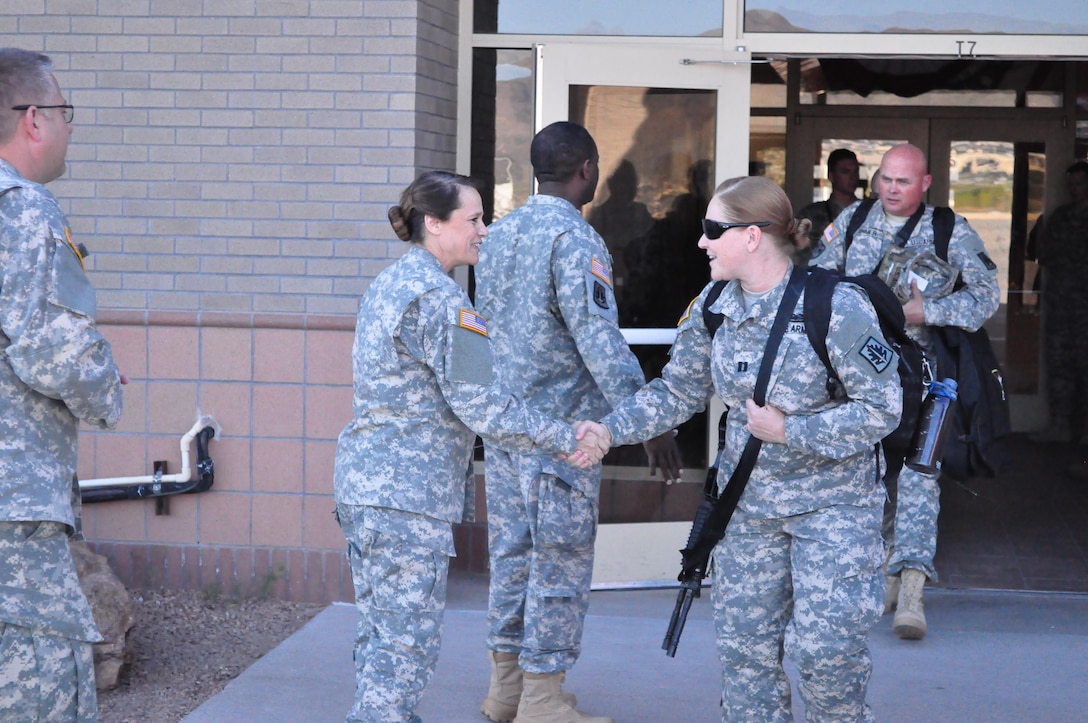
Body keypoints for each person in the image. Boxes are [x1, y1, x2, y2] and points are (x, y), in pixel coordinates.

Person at [596, 175, 903, 721]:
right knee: (745, 657)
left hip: (833, 509)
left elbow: (883, 408)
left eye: (714, 229)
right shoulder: (713, 307)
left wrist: (792, 431)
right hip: (749, 511)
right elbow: (678, 391)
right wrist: (608, 431)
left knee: (825, 656)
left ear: (753, 236)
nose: (702, 242)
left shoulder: (836, 305)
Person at [332, 170, 611, 723]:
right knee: (404, 648)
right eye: (475, 219)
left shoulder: (389, 282)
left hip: (366, 487)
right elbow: (485, 408)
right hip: (408, 499)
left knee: (382, 637)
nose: (485, 230)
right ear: (434, 224)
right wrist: (566, 435)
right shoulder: (442, 303)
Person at [474, 121, 682, 723]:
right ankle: (542, 701)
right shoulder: (577, 238)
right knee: (559, 562)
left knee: (512, 557)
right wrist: (650, 422)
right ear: (586, 169)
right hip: (564, 438)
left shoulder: (500, 234)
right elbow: (600, 342)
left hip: (508, 426)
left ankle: (503, 693)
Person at [812, 143, 1001, 639]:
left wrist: (925, 313)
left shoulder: (948, 230)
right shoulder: (852, 221)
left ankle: (911, 593)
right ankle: (879, 579)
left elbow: (985, 296)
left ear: (925, 183)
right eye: (886, 179)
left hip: (926, 380)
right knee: (865, 478)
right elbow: (816, 279)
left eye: (903, 181)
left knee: (919, 478)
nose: (892, 189)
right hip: (855, 376)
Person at [0, 48, 125, 720]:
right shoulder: (23, 209)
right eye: (64, 111)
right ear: (33, 121)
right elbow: (54, 350)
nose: (71, 126)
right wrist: (105, 386)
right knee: (45, 681)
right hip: (13, 505)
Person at [1029, 160, 1088, 445]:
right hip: (1062, 305)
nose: (1076, 189)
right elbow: (1044, 254)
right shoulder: (1061, 217)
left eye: (1081, 183)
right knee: (1060, 368)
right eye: (1072, 184)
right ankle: (1060, 427)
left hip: (1084, 310)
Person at [796, 148, 861, 261]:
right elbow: (797, 254)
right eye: (845, 172)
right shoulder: (811, 215)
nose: (853, 177)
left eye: (855, 171)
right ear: (831, 176)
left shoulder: (868, 212)